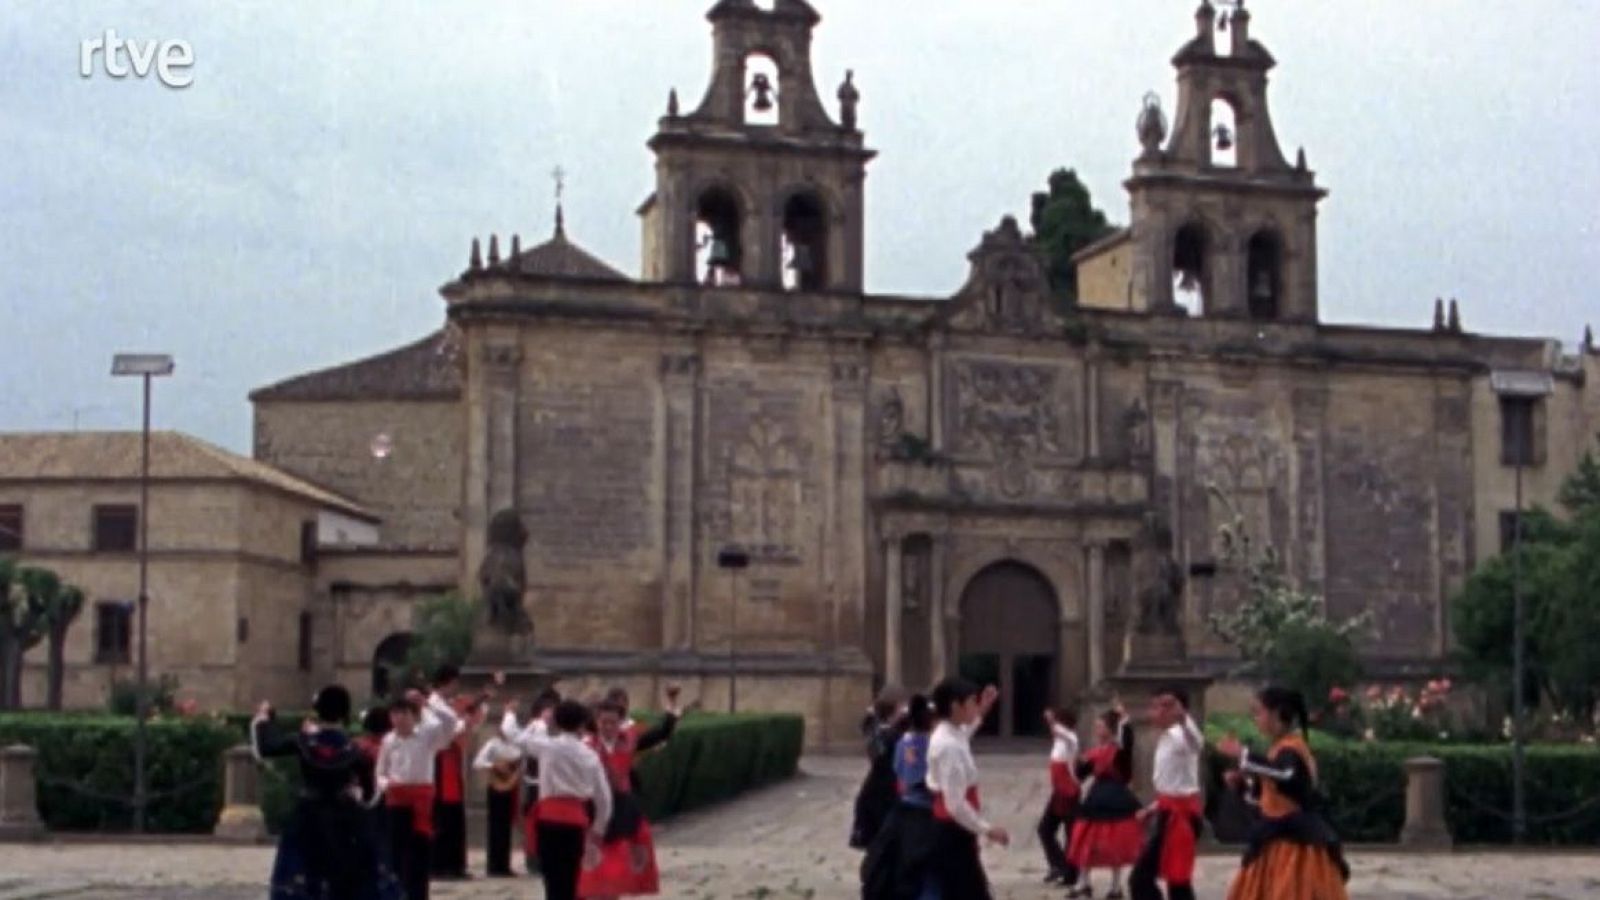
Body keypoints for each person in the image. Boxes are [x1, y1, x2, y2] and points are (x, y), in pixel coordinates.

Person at [252, 685, 403, 900]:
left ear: (318, 710)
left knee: (305, 871)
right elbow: (370, 793)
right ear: (345, 714)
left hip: (308, 815)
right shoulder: (354, 750)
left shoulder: (303, 742)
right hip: (345, 818)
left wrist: (265, 719)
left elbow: (268, 746)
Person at [1216, 687, 1350, 900]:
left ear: (1276, 714)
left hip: (1296, 844)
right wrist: (1243, 783)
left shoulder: (1292, 748)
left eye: (1259, 712)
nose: (1256, 719)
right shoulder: (1277, 749)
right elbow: (1266, 796)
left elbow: (1285, 774)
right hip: (1274, 839)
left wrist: (1244, 755)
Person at [577, 685, 684, 898]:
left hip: (623, 808)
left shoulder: (630, 739)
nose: (608, 727)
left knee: (618, 864)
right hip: (594, 809)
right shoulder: (587, 745)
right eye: (603, 722)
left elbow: (661, 733)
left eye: (613, 723)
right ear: (596, 722)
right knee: (593, 868)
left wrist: (671, 706)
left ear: (620, 722)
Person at [504, 698, 615, 900]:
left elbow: (512, 735)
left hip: (549, 820)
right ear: (582, 724)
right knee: (573, 878)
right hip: (575, 821)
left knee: (552, 879)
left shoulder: (547, 747)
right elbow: (604, 799)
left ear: (555, 722)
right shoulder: (590, 756)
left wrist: (510, 713)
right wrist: (598, 829)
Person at [375, 686, 462, 900]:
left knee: (419, 855)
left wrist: (430, 702)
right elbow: (380, 772)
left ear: (414, 715)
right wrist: (386, 785)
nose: (399, 719)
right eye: (395, 714)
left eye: (404, 714)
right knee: (396, 855)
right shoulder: (388, 740)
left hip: (421, 802)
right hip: (396, 801)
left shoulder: (427, 736)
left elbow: (451, 722)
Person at [925, 678, 1006, 900]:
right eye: (972, 702)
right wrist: (987, 829)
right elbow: (955, 804)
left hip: (954, 830)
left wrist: (984, 708)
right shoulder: (947, 745)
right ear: (955, 706)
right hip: (952, 831)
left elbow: (966, 732)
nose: (975, 706)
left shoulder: (951, 732)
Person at [860, 693, 939, 900]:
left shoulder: (902, 740)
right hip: (921, 812)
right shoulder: (929, 745)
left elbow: (900, 776)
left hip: (902, 809)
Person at [1130, 688, 1205, 900]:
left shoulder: (1183, 736)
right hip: (1168, 811)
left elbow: (1197, 744)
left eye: (1164, 706)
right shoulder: (1166, 737)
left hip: (1182, 817)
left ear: (1179, 709)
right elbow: (1173, 786)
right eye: (1155, 706)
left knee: (1157, 878)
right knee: (1173, 880)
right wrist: (1151, 808)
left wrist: (1184, 719)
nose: (1156, 712)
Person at [1067, 706, 1142, 899]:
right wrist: (1076, 761)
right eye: (1096, 726)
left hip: (1116, 798)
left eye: (1100, 726)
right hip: (1096, 798)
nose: (1096, 730)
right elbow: (1081, 775)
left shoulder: (1119, 752)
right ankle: (1083, 881)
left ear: (1110, 729)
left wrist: (1124, 720)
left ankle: (1116, 886)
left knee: (1114, 844)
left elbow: (1128, 742)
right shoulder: (1095, 752)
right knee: (1086, 840)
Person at [432, 668, 482, 881]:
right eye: (454, 683)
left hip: (450, 758)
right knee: (444, 815)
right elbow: (447, 730)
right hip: (441, 760)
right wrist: (464, 722)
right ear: (447, 682)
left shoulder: (445, 705)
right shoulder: (435, 705)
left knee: (452, 814)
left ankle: (454, 863)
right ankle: (443, 864)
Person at [851, 688, 907, 850]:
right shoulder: (892, 736)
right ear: (893, 712)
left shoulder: (876, 733)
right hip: (886, 789)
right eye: (899, 708)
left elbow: (866, 726)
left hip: (874, 788)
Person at [474, 714, 527, 878]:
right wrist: (494, 765)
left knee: (505, 827)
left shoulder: (517, 745)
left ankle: (504, 864)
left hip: (511, 786)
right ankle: (494, 865)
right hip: (496, 787)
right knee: (495, 826)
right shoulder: (492, 744)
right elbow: (477, 762)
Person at [1038, 706, 1082, 888]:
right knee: (1045, 829)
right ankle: (1058, 864)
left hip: (1069, 792)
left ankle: (1071, 872)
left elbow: (1059, 730)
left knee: (1071, 834)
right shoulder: (1058, 742)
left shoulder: (1072, 739)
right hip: (1058, 792)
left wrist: (1051, 719)